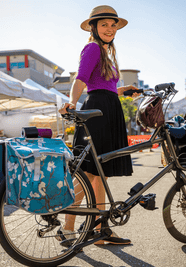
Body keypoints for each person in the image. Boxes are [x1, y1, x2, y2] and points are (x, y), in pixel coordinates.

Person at [58, 5, 139, 245]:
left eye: (113, 25)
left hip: (108, 109)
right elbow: (81, 79)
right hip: (97, 114)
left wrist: (123, 91)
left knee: (99, 176)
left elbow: (103, 86)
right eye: (104, 24)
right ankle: (68, 227)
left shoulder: (106, 53)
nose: (110, 29)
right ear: (94, 27)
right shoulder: (93, 48)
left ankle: (100, 230)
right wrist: (72, 101)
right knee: (89, 173)